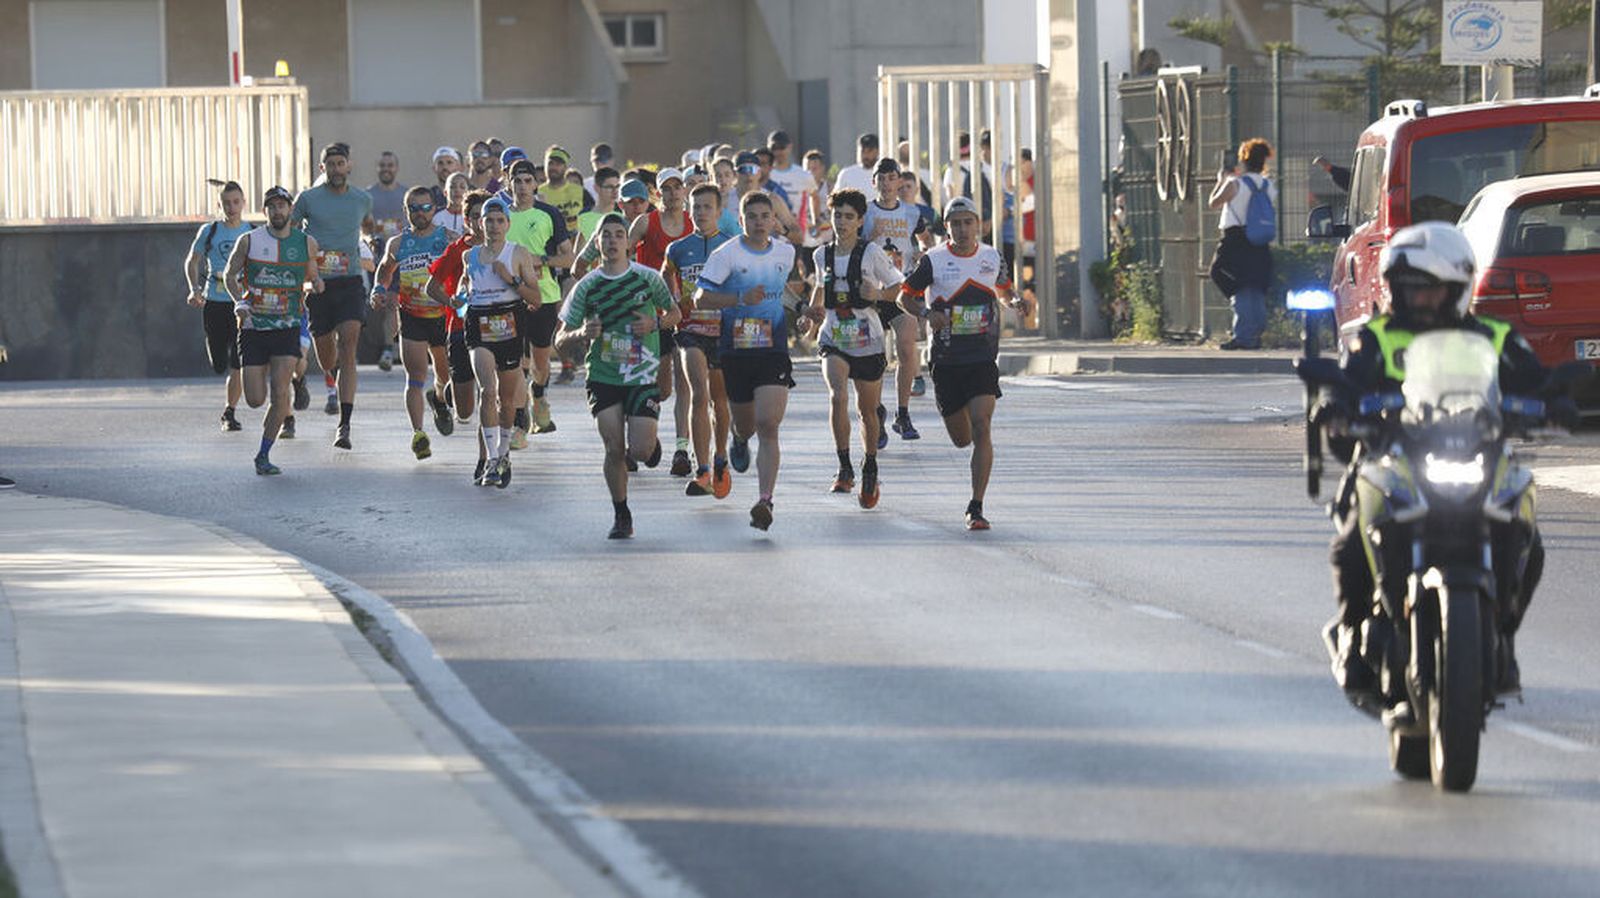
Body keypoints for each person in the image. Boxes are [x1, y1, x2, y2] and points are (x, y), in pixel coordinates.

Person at [1320, 222, 1553, 702]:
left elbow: (1534, 379)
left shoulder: (1493, 335)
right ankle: (1351, 633)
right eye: (1408, 291)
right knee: (1349, 547)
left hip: (1478, 452)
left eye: (1429, 291)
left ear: (1457, 288)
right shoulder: (1376, 337)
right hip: (1396, 456)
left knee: (1528, 538)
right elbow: (1346, 381)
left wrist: (1558, 396)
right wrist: (1337, 405)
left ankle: (1501, 633)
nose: (1417, 301)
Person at [898, 197, 1029, 530]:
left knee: (983, 424)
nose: (962, 229)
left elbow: (1003, 290)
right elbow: (905, 297)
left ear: (978, 224)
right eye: (955, 223)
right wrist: (928, 314)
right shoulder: (933, 260)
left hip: (982, 355)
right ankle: (968, 448)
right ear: (947, 227)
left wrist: (1014, 301)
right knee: (962, 438)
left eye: (968, 222)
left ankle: (976, 506)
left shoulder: (991, 256)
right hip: (946, 359)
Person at [559, 213, 682, 538]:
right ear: (596, 244)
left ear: (628, 243)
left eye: (618, 235)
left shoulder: (648, 278)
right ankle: (621, 513)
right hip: (603, 375)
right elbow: (560, 337)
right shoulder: (587, 285)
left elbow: (675, 314)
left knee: (638, 451)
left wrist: (655, 324)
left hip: (641, 374)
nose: (612, 240)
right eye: (606, 235)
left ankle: (649, 445)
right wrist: (582, 333)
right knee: (614, 448)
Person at [693, 192, 799, 531]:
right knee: (747, 425)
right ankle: (738, 439)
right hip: (735, 351)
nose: (758, 222)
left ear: (773, 220)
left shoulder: (785, 251)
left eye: (764, 216)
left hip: (773, 350)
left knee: (769, 425)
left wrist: (803, 310)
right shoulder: (727, 254)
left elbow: (783, 290)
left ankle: (765, 500)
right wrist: (738, 297)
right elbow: (700, 297)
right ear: (741, 220)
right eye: (751, 216)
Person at [806, 188, 903, 508]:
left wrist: (875, 293)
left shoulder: (872, 253)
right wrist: (810, 318)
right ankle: (844, 466)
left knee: (867, 409)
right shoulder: (821, 255)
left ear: (860, 221)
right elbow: (820, 290)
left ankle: (869, 464)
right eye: (837, 215)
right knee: (838, 394)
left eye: (849, 217)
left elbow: (897, 288)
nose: (842, 222)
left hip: (868, 340)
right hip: (833, 336)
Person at [224, 186, 324, 476]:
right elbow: (230, 275)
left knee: (280, 393)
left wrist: (316, 285)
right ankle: (270, 408)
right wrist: (240, 302)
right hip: (254, 326)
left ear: (291, 209)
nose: (278, 211)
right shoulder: (249, 241)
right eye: (272, 207)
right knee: (255, 399)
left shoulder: (306, 243)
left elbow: (313, 276)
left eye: (282, 206)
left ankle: (263, 455)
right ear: (265, 210)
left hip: (287, 325)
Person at [291, 143, 374, 449]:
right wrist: (305, 270)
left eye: (341, 163)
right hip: (318, 285)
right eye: (331, 164)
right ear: (321, 168)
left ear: (349, 166)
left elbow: (368, 225)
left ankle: (345, 424)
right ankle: (333, 375)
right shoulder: (308, 199)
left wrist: (370, 242)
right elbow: (290, 231)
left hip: (350, 281)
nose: (337, 169)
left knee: (350, 345)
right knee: (328, 357)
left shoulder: (362, 199)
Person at [458, 198, 544, 488]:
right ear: (479, 224)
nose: (494, 226)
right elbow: (464, 285)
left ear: (507, 224)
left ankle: (504, 452)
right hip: (479, 322)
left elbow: (536, 298)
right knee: (487, 389)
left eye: (499, 221)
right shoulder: (469, 255)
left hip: (509, 322)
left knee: (506, 400)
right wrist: (460, 297)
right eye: (488, 221)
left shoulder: (518, 253)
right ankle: (492, 459)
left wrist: (511, 280)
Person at [372, 186, 456, 460]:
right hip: (411, 317)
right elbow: (384, 272)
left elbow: (464, 270)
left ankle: (440, 402)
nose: (420, 213)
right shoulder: (397, 244)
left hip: (442, 317)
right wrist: (379, 290)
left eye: (425, 207)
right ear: (405, 211)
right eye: (413, 208)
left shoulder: (448, 239)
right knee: (416, 377)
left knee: (444, 377)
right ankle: (418, 434)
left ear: (435, 209)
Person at [663, 182, 737, 499]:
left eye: (707, 207)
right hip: (690, 331)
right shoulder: (678, 248)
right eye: (696, 207)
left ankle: (720, 456)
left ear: (719, 211)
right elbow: (666, 274)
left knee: (720, 402)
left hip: (722, 331)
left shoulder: (732, 245)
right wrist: (674, 300)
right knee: (698, 393)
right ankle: (702, 468)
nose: (701, 213)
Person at [504, 159, 573, 440]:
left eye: (527, 181)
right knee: (516, 361)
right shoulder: (500, 216)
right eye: (516, 181)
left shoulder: (549, 214)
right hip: (510, 296)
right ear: (509, 184)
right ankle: (521, 423)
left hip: (544, 294)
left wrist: (540, 260)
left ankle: (539, 394)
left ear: (535, 183)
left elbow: (568, 256)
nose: (522, 187)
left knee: (541, 361)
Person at [425, 189, 493, 473]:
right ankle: (443, 394)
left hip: (493, 331)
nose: (481, 223)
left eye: (486, 216)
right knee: (465, 411)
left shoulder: (504, 248)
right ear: (466, 220)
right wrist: (450, 301)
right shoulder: (457, 251)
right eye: (475, 217)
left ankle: (487, 458)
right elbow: (432, 287)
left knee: (490, 395)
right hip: (460, 329)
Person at [863, 157, 930, 442]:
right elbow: (850, 243)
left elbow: (926, 241)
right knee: (876, 357)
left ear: (900, 182)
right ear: (874, 181)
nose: (888, 184)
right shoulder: (863, 212)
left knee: (906, 347)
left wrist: (923, 255)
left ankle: (903, 414)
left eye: (893, 178)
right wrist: (869, 236)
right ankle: (876, 411)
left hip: (900, 288)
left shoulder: (912, 212)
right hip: (870, 291)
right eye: (882, 178)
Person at [184, 180, 253, 434]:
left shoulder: (252, 232)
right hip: (214, 302)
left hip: (241, 304)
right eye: (226, 203)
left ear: (244, 203)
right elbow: (192, 260)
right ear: (219, 205)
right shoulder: (210, 231)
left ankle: (229, 411)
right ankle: (215, 350)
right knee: (219, 363)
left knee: (239, 362)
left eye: (236, 202)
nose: (231, 207)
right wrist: (194, 288)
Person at [1207, 137, 1276, 350]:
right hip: (1259, 239)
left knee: (1223, 274)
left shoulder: (1235, 183)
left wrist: (1221, 180)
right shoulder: (1268, 185)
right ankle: (1254, 329)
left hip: (1235, 238)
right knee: (1254, 283)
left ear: (1244, 160)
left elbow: (1213, 203)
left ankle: (1244, 335)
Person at [538, 145, 590, 234]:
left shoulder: (580, 191)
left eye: (558, 164)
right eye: (551, 163)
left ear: (565, 167)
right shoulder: (537, 193)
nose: (554, 167)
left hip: (576, 242)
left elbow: (591, 217)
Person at [368, 152, 407, 243]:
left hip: (402, 248)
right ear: (377, 168)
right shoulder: (367, 196)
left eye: (390, 165)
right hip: (375, 250)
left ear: (397, 168)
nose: (386, 169)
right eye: (382, 165)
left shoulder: (406, 194)